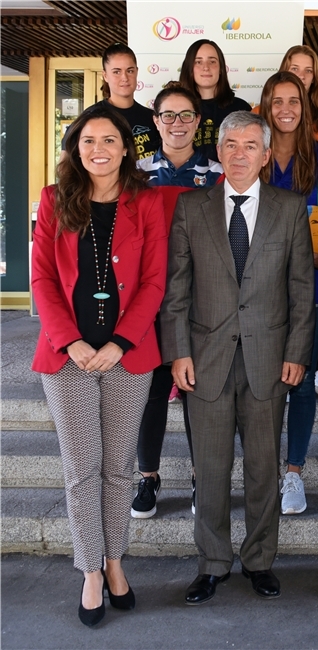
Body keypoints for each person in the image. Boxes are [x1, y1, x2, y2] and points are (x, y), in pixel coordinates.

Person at [161, 110, 315, 606]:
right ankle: (211, 563)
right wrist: (178, 353)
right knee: (209, 467)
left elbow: (302, 291)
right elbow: (176, 290)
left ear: (266, 155)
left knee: (263, 468)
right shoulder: (192, 208)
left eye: (251, 145)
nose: (240, 154)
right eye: (231, 145)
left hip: (269, 358)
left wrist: (296, 352)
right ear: (219, 152)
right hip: (203, 359)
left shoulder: (291, 209)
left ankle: (259, 560)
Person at [31, 105, 167, 626]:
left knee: (118, 469)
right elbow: (41, 278)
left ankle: (116, 562)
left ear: (125, 147)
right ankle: (90, 568)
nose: (99, 150)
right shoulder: (53, 198)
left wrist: (121, 342)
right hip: (67, 359)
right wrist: (70, 342)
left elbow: (155, 279)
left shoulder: (147, 202)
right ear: (75, 147)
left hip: (127, 356)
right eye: (88, 140)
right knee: (81, 468)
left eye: (109, 139)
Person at [131, 83, 223, 519]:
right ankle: (147, 477)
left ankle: (197, 478)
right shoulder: (133, 173)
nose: (178, 123)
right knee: (150, 393)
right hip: (146, 302)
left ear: (199, 122)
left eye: (186, 115)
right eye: (169, 115)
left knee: (194, 393)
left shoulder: (219, 172)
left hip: (201, 303)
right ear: (156, 120)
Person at [258, 71, 318, 515]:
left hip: (316, 285)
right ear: (266, 107)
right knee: (269, 382)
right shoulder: (256, 157)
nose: (286, 109)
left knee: (304, 380)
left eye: (295, 101)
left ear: (306, 107)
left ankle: (294, 474)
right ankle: (264, 470)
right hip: (263, 289)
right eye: (277, 101)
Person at [62, 44, 160, 160]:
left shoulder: (151, 117)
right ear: (105, 76)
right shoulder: (91, 117)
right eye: (116, 72)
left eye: (129, 71)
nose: (124, 77)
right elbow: (64, 167)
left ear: (136, 72)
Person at [179, 39, 252, 162]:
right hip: (186, 180)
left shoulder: (241, 109)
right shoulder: (178, 109)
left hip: (228, 180)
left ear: (221, 69)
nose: (206, 67)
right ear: (189, 68)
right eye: (198, 62)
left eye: (212, 61)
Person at [279, 45, 318, 149]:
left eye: (308, 71)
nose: (301, 76)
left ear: (314, 78)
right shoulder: (260, 113)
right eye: (294, 69)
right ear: (283, 72)